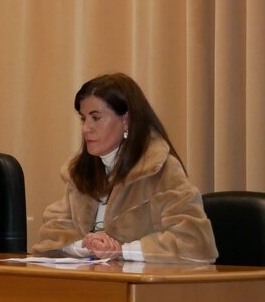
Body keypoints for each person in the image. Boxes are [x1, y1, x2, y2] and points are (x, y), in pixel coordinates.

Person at [33, 73, 217, 263]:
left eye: (96, 118)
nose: (86, 128)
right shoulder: (80, 172)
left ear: (126, 120)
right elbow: (51, 234)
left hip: (143, 288)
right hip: (91, 283)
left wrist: (122, 250)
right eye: (83, 119)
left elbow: (195, 243)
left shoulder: (161, 169)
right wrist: (86, 245)